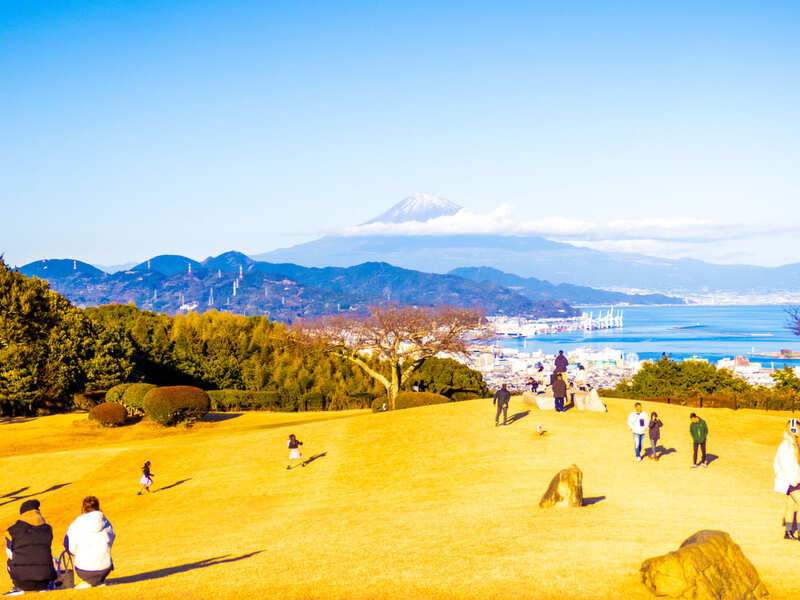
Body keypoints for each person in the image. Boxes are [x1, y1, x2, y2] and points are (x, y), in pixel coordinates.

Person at [5, 499, 56, 593]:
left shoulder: (11, 531)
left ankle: (18, 587)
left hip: (22, 582)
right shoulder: (48, 529)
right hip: (45, 580)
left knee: (9, 560)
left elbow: (10, 555)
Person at [64, 496, 115, 588]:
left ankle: (90, 582)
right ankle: (98, 581)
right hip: (105, 568)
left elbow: (69, 547)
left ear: (83, 508)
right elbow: (111, 539)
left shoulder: (76, 524)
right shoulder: (106, 522)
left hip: (83, 569)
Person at [774, 418, 800, 540]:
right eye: (792, 428)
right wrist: (792, 480)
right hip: (790, 479)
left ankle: (788, 532)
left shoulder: (795, 443)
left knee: (791, 504)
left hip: (795, 478)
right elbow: (784, 464)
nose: (795, 430)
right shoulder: (786, 445)